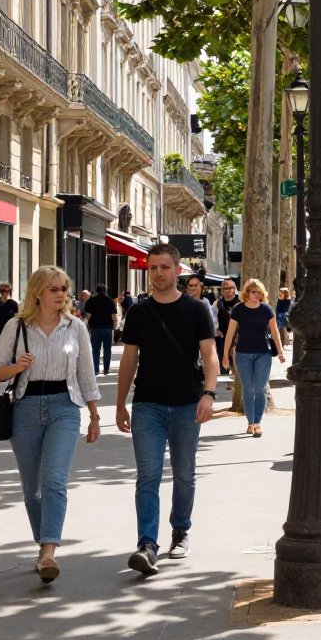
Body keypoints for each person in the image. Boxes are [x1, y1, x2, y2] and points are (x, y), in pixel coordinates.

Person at [0, 266, 101, 584]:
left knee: (54, 481)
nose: (61, 294)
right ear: (38, 292)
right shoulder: (17, 326)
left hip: (64, 408)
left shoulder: (76, 327)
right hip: (25, 408)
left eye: (64, 288)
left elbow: (86, 375)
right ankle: (44, 546)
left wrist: (94, 416)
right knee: (32, 490)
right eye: (54, 289)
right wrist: (15, 367)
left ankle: (49, 551)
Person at [115, 243, 220, 575]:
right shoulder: (138, 313)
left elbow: (211, 357)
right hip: (148, 404)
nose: (157, 274)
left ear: (178, 270)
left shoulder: (197, 309)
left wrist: (209, 394)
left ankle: (180, 530)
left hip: (188, 403)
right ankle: (147, 544)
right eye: (152, 268)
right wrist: (119, 404)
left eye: (163, 268)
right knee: (148, 475)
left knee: (184, 475)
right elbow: (129, 360)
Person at [223, 279, 285, 438]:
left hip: (263, 354)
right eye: (254, 292)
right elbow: (230, 334)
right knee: (248, 389)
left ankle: (258, 422)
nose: (257, 295)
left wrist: (280, 351)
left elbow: (275, 332)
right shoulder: (238, 310)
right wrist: (225, 355)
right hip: (242, 354)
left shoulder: (266, 310)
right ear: (247, 293)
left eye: (259, 292)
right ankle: (250, 422)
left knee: (260, 388)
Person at [83, 284, 119, 375]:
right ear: (105, 291)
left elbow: (88, 315)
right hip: (107, 328)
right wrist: (114, 329)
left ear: (96, 291)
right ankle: (106, 369)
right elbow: (114, 316)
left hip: (95, 328)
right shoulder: (110, 301)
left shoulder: (91, 301)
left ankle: (95, 369)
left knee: (95, 349)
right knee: (107, 349)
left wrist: (89, 325)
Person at [213, 279, 241, 379]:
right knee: (223, 367)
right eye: (224, 288)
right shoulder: (217, 303)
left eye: (229, 288)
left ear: (234, 289)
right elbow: (212, 319)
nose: (226, 290)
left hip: (238, 340)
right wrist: (216, 329)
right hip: (222, 340)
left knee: (238, 368)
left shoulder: (241, 302)